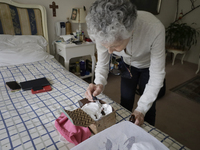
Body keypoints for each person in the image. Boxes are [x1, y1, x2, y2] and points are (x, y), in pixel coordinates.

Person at [85, 0, 166, 126]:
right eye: (105, 46)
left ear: (131, 31)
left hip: (148, 67)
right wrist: (99, 83)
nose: (110, 51)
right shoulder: (101, 30)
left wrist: (141, 109)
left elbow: (157, 75)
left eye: (115, 46)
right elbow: (102, 63)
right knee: (126, 100)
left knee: (148, 109)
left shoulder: (154, 29)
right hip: (128, 66)